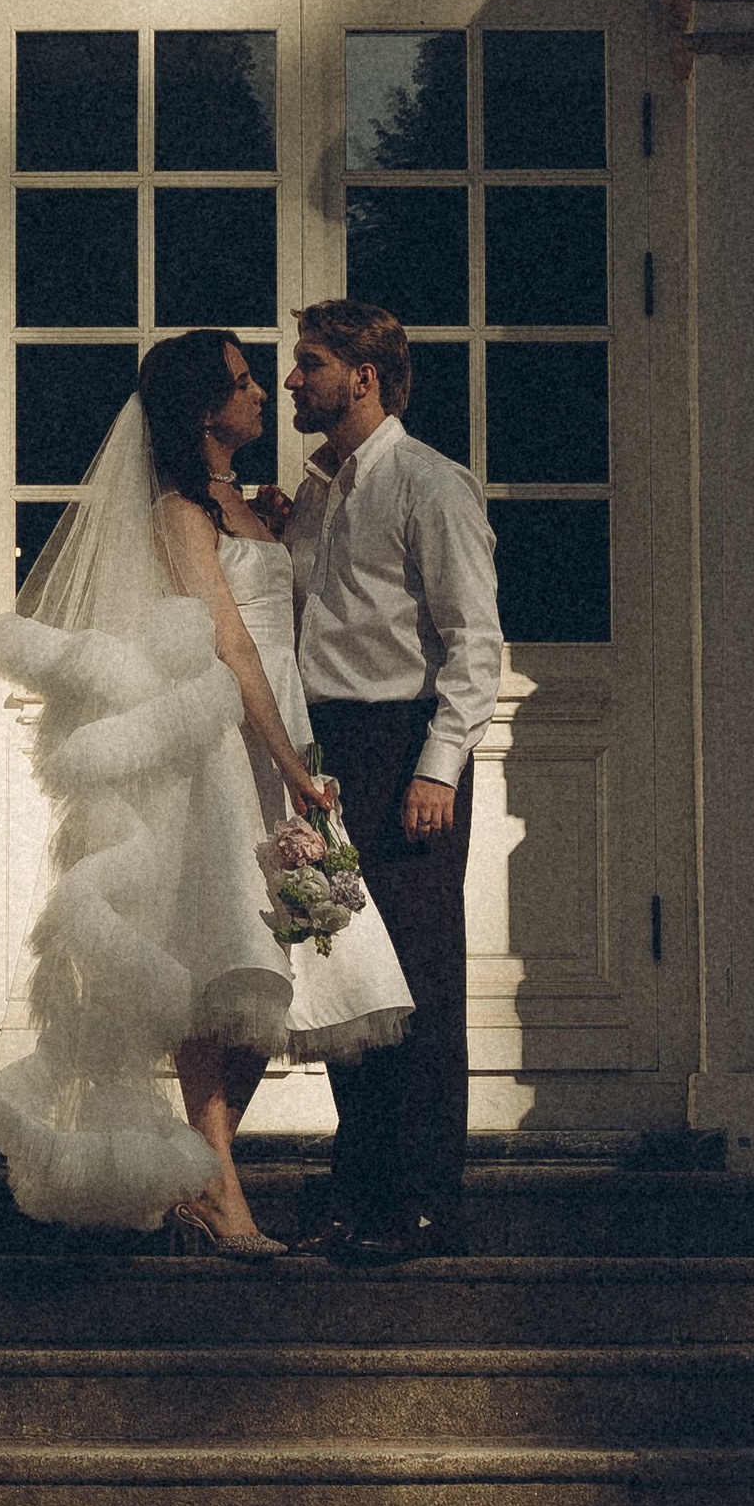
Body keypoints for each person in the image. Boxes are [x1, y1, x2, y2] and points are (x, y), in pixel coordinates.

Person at [0, 328, 412, 1252]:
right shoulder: (179, 511)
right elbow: (232, 642)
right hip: (229, 746)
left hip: (282, 723)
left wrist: (273, 521)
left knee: (279, 972)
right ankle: (220, 1192)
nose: (263, 393)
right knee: (227, 963)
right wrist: (291, 766)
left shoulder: (246, 504)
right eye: (244, 382)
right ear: (205, 409)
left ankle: (200, 1173)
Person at [283, 300, 502, 1263]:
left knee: (419, 982)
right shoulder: (317, 492)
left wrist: (438, 768)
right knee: (348, 982)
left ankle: (425, 1203)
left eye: (310, 363)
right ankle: (360, 1192)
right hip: (327, 755)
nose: (294, 380)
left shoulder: (430, 484)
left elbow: (475, 642)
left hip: (404, 749)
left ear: (364, 377)